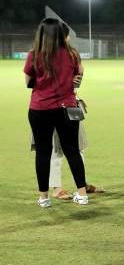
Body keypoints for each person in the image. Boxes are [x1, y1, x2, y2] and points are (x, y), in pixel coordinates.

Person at [24, 18, 88, 207]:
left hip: (40, 108)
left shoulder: (34, 55)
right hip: (67, 108)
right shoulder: (72, 54)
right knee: (72, 151)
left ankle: (44, 198)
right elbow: (79, 75)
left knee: (43, 152)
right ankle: (82, 194)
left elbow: (28, 82)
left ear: (41, 34)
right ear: (61, 34)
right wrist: (71, 83)